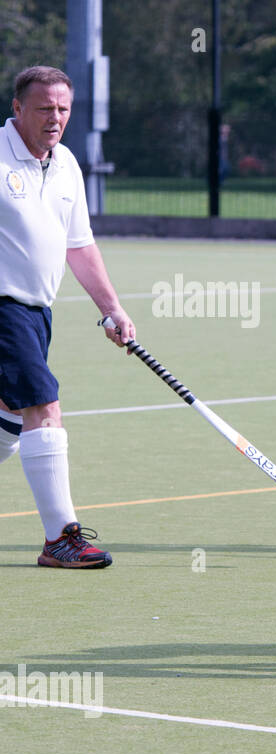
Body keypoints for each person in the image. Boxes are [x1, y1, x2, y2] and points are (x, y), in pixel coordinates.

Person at [0, 66, 136, 568]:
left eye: (62, 109)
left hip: (38, 310)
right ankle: (61, 538)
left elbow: (79, 246)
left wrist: (111, 307)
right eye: (43, 108)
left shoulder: (67, 166)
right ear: (17, 108)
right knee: (44, 407)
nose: (55, 118)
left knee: (10, 419)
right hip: (3, 307)